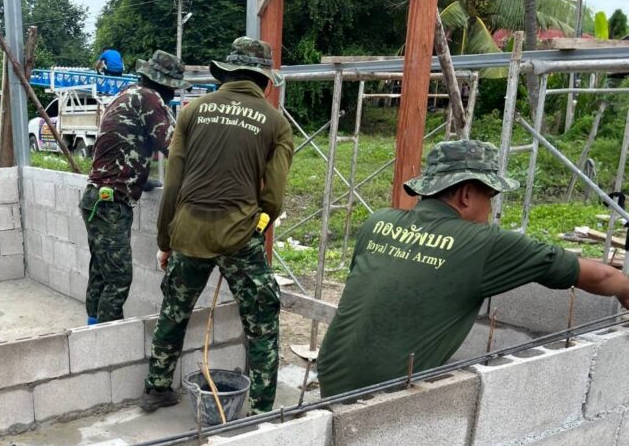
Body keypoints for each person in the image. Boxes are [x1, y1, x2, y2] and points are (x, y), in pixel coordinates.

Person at [316, 139, 629, 397]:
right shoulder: (484, 243)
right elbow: (602, 276)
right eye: (490, 197)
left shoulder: (378, 222)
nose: (490, 209)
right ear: (466, 194)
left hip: (330, 376)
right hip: (385, 396)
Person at [139, 37, 293, 415]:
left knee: (173, 313)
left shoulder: (192, 111)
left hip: (188, 232)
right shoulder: (276, 123)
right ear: (264, 81)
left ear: (225, 73)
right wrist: (256, 228)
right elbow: (273, 198)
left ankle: (157, 388)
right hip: (239, 236)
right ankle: (260, 408)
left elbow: (173, 184)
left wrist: (166, 241)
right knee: (261, 321)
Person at [80, 50, 187, 324]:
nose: (173, 94)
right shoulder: (150, 98)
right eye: (173, 88)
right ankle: (109, 338)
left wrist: (140, 180)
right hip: (111, 203)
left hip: (96, 198)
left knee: (101, 272)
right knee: (118, 279)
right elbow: (175, 148)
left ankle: (91, 329)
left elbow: (124, 142)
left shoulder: (127, 94)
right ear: (165, 84)